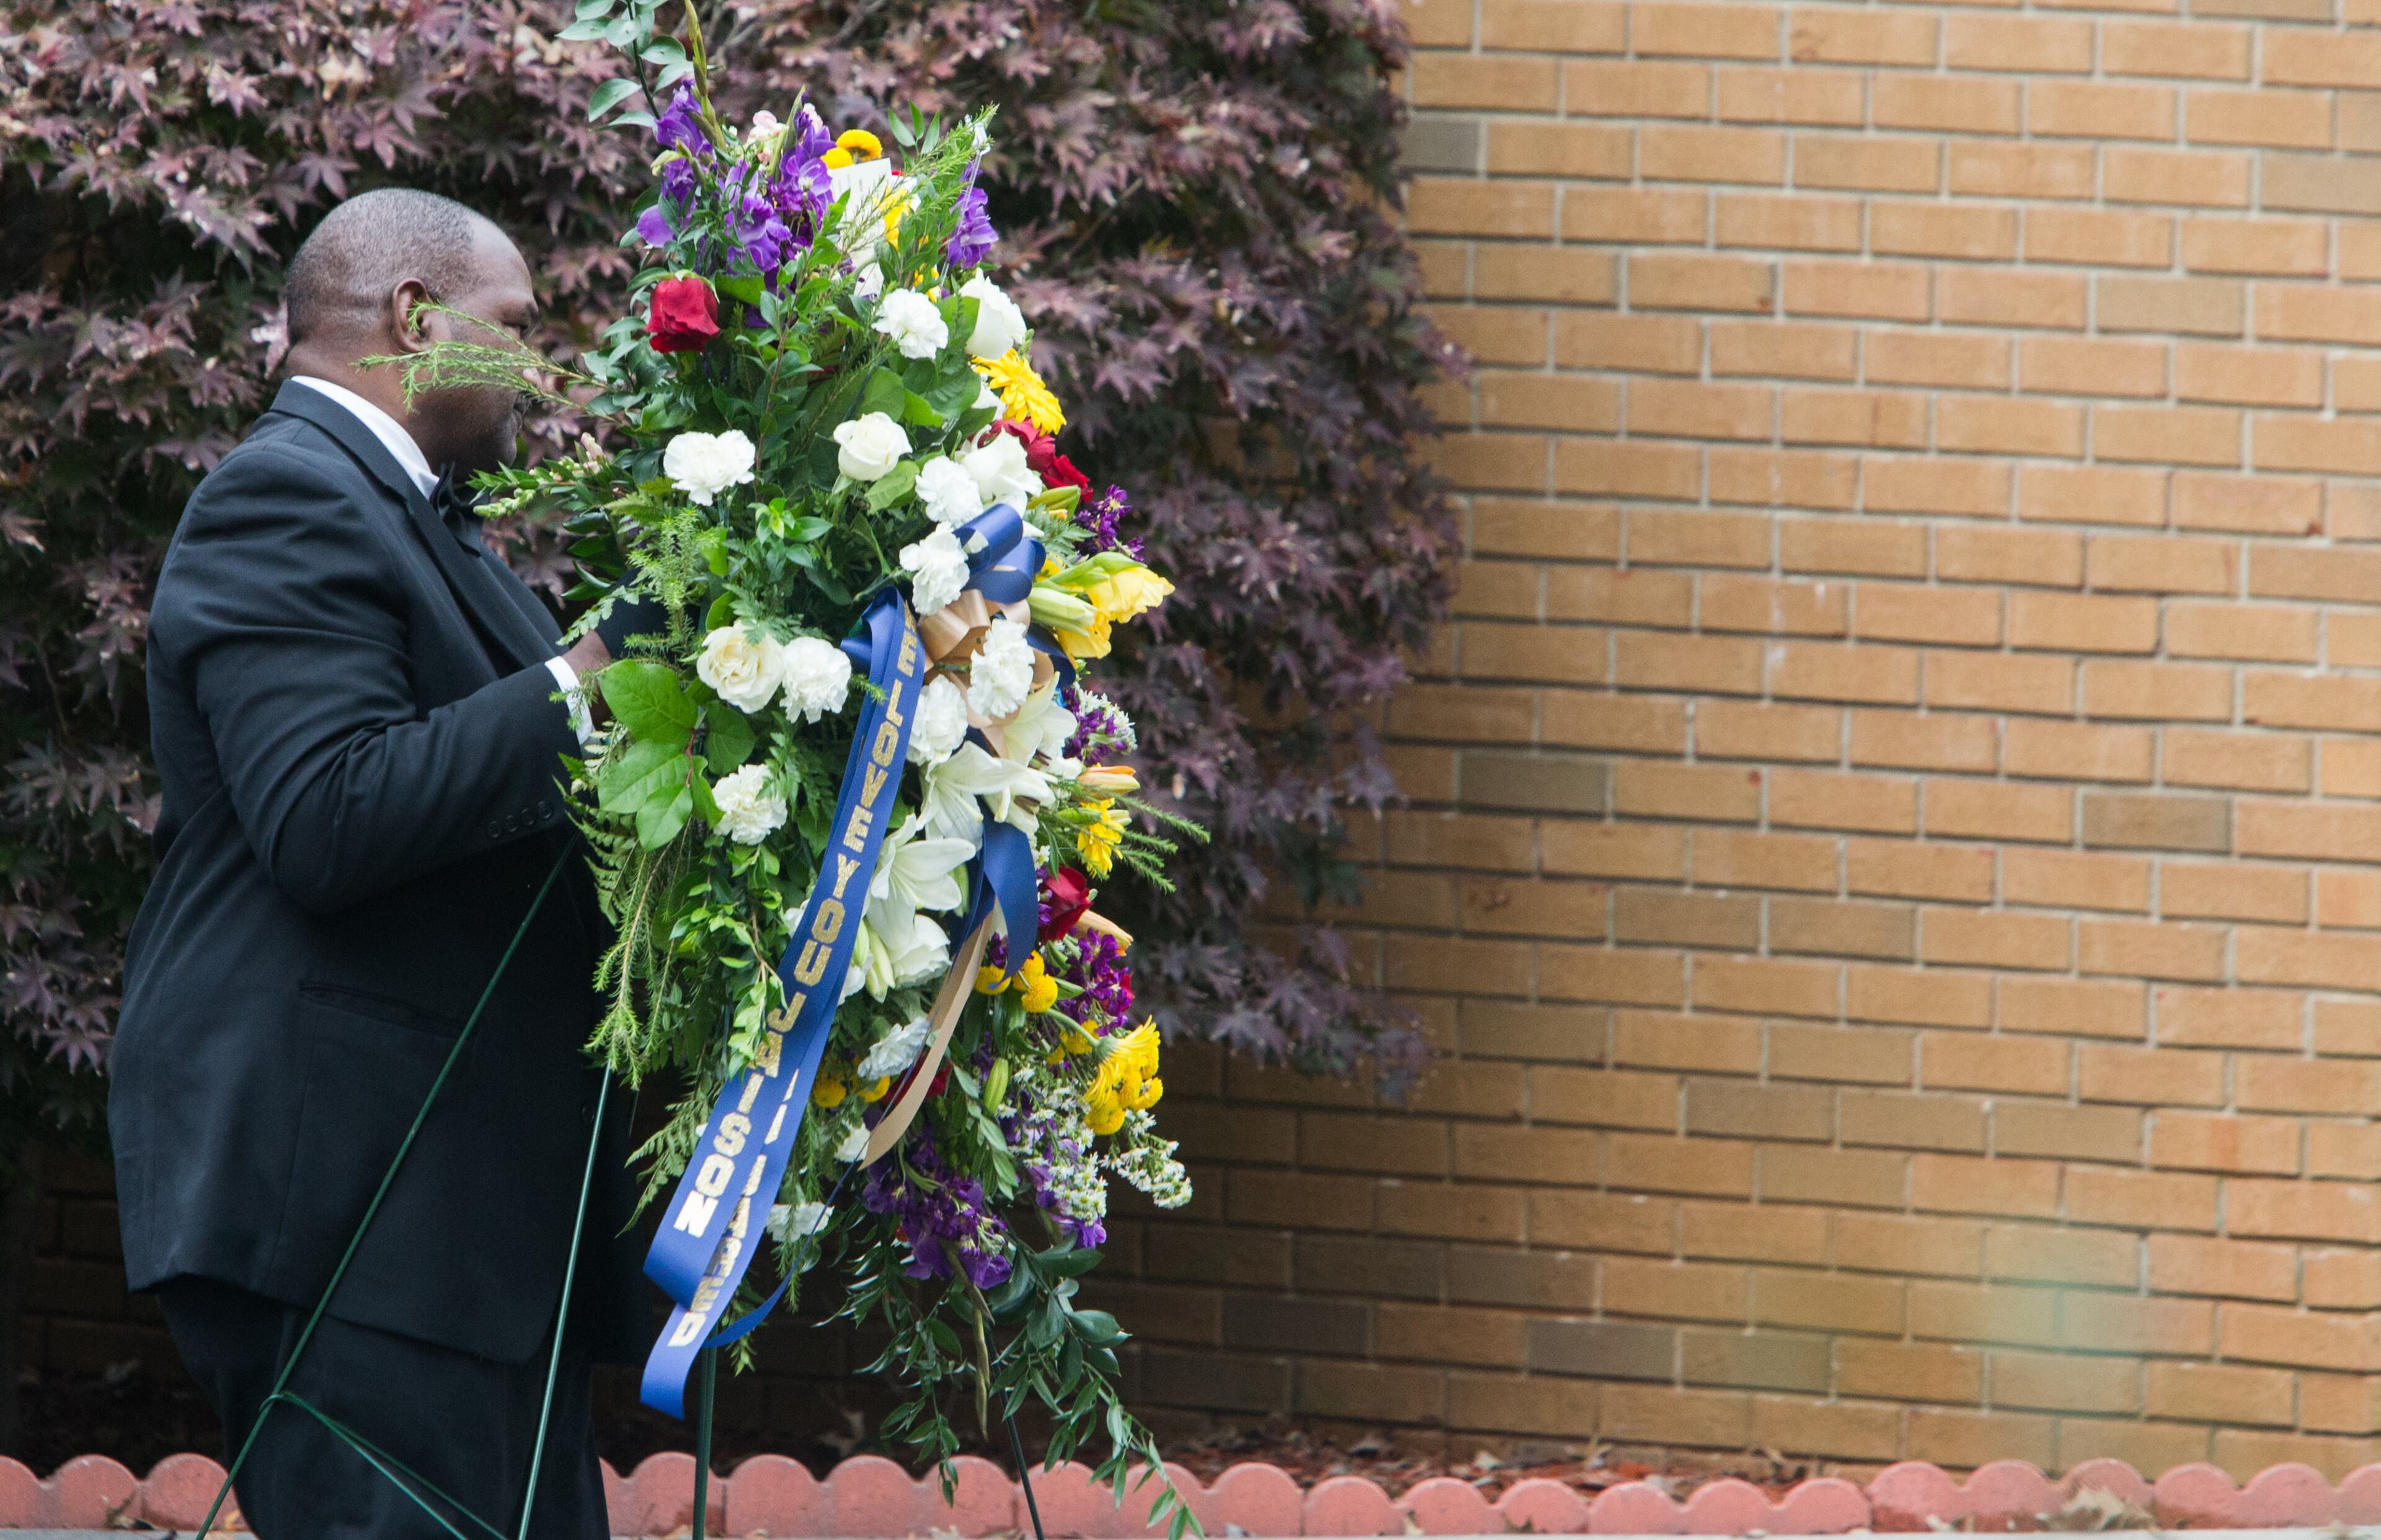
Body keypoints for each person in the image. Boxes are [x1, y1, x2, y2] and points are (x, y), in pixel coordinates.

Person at [110, 188, 648, 1539]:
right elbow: (329, 813)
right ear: (418, 320)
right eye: (512, 330)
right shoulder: (282, 494)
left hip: (447, 1242)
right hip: (348, 1222)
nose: (533, 365)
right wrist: (592, 675)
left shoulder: (422, 521)